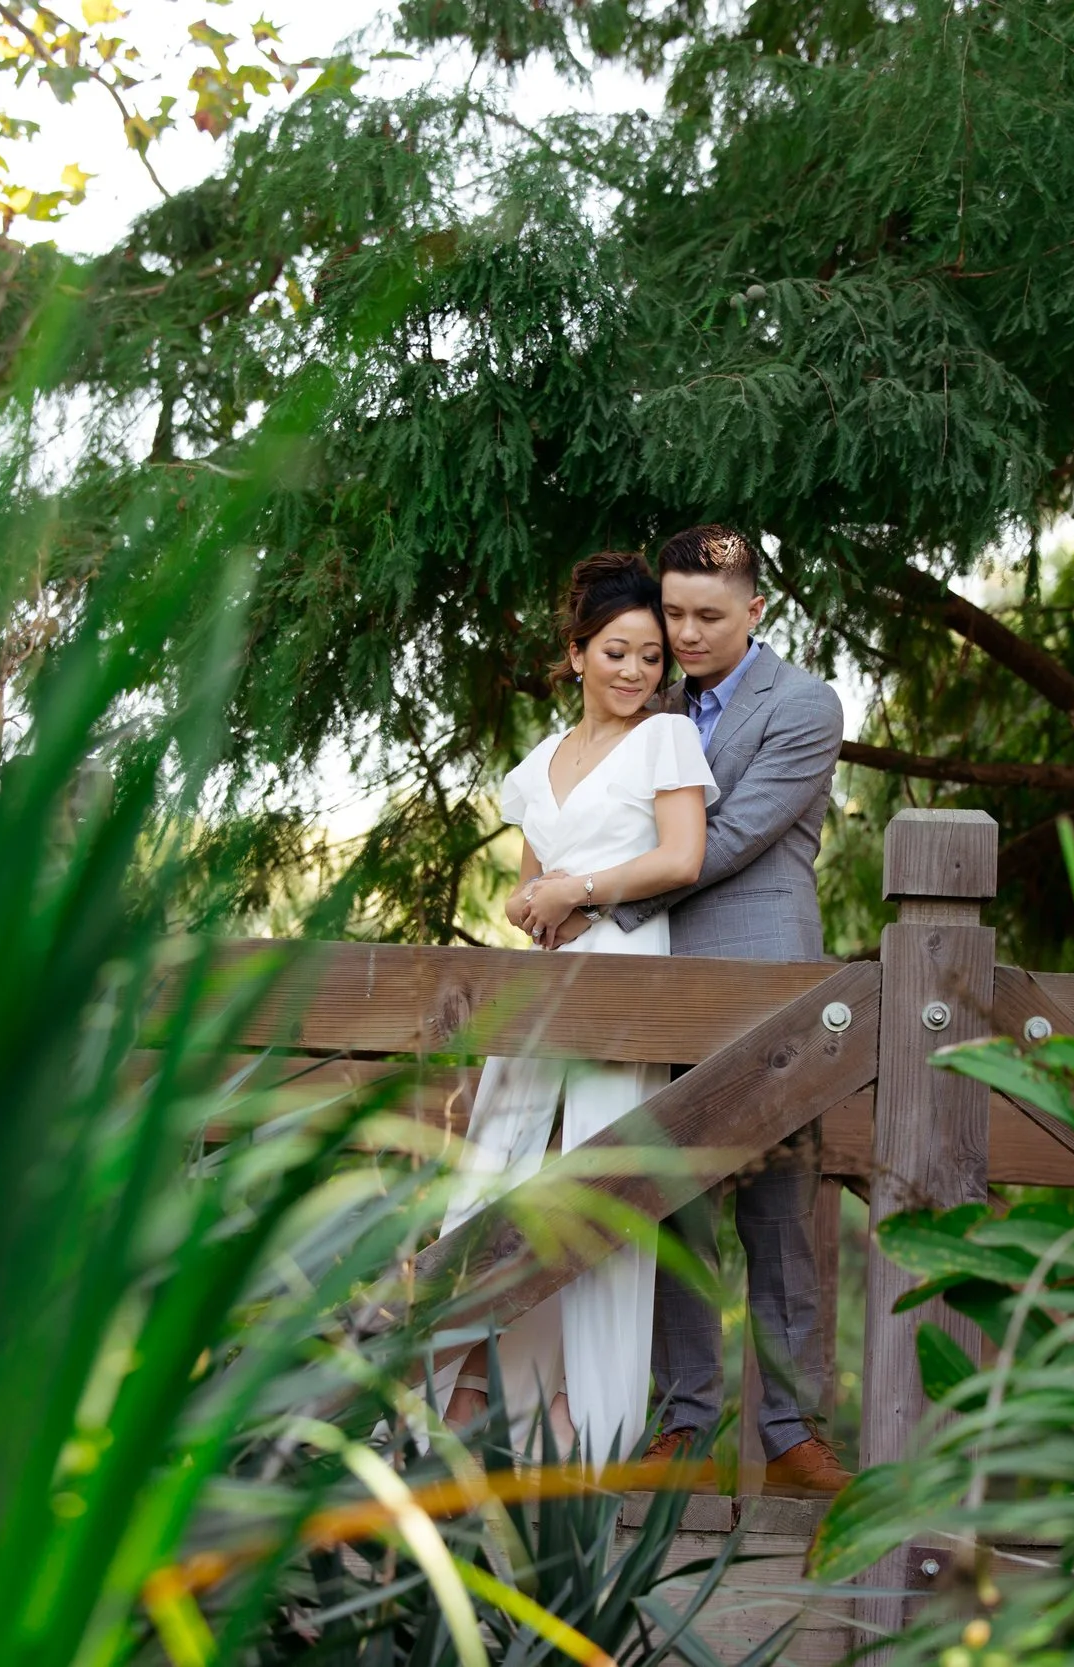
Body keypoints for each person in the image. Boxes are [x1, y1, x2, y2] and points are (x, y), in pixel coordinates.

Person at [551, 524, 850, 1496]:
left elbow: (726, 837)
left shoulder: (805, 705)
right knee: (667, 1204)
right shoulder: (649, 703)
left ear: (756, 609)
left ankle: (792, 1430)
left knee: (778, 1214)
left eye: (706, 616)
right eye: (672, 611)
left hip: (766, 988)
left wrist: (596, 895)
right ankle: (683, 1420)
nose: (682, 632)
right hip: (655, 985)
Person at [433, 551, 719, 1464]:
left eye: (650, 657)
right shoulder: (541, 761)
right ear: (576, 651)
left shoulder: (666, 741)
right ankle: (469, 1386)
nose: (637, 672)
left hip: (626, 972)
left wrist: (579, 892)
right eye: (617, 653)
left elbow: (681, 858)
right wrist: (535, 904)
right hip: (545, 983)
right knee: (500, 1174)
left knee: (593, 1183)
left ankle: (578, 1422)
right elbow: (525, 888)